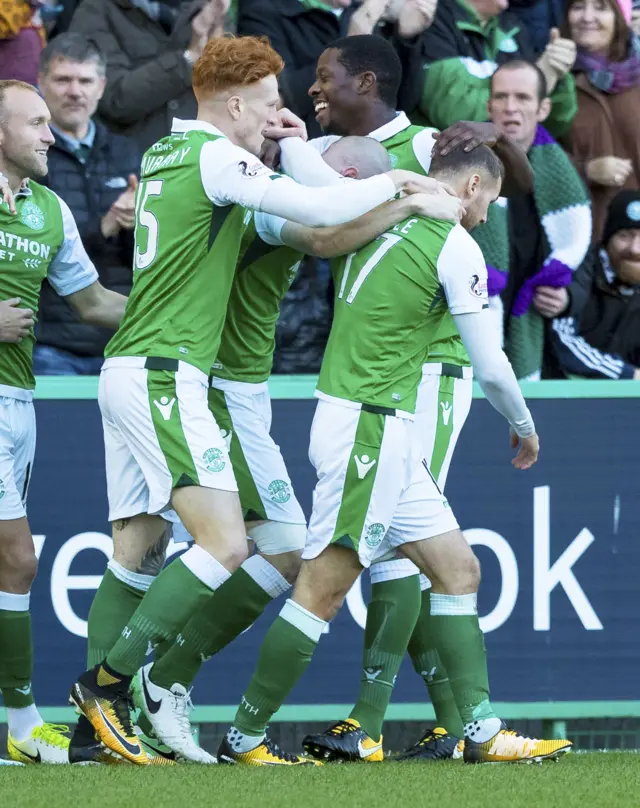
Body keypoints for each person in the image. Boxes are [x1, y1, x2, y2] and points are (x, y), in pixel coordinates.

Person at [68, 34, 444, 767]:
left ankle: (98, 730)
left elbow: (311, 214)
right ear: (236, 103)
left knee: (139, 551)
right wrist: (406, 190)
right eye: (270, 103)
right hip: (172, 375)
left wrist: (340, 172)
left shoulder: (163, 155)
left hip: (141, 369)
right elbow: (316, 215)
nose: (278, 117)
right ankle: (113, 688)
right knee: (230, 543)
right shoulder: (218, 159)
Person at [216, 143, 572, 767]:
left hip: (379, 430)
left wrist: (296, 141)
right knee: (324, 588)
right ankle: (243, 738)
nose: (485, 217)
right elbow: (489, 363)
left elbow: (321, 183)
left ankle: (484, 732)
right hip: (369, 430)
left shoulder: (375, 211)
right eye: (487, 199)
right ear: (469, 186)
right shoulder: (453, 243)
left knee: (459, 571)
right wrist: (524, 424)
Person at [128, 135, 463, 764]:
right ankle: (152, 680)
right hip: (220, 385)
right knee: (269, 546)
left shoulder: (251, 189)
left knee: (275, 548)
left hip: (239, 387)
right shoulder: (262, 203)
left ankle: (159, 680)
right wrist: (408, 197)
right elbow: (328, 230)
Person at [284, 34, 530, 763]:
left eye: (325, 79)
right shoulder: (342, 156)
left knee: (401, 548)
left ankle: (381, 721)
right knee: (400, 547)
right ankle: (453, 724)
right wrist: (296, 144)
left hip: (433, 368)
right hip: (382, 373)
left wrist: (496, 134)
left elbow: (493, 194)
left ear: (367, 81)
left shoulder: (426, 146)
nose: (314, 90)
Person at [0, 79, 127, 764]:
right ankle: (22, 724)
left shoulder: (46, 208)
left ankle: (20, 727)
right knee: (18, 558)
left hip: (21, 402)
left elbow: (94, 304)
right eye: (37, 123)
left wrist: (174, 312)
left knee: (9, 566)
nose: (51, 136)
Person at [472, 60, 591, 380]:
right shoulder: (461, 165)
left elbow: (583, 259)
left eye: (523, 98)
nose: (511, 108)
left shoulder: (563, 176)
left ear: (543, 108)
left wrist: (568, 298)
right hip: (470, 335)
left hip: (542, 345)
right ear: (489, 105)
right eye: (501, 97)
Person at [34, 33, 141, 375]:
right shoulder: (27, 156)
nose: (75, 91)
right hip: (54, 344)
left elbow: (149, 258)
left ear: (102, 86)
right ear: (41, 83)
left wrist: (139, 224)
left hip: (124, 342)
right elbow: (31, 248)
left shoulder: (128, 152)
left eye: (85, 80)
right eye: (63, 80)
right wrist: (105, 226)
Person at [237, 0, 437, 137]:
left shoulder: (366, 10)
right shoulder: (264, 11)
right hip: (308, 150)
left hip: (373, 146)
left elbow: (404, 102)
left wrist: (406, 39)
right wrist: (351, 42)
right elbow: (279, 96)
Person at [69, 0, 231, 150]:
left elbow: (231, 98)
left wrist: (217, 41)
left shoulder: (207, 8)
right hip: (130, 166)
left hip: (198, 160)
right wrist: (188, 59)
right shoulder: (96, 11)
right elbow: (115, 98)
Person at [405, 0, 578, 139]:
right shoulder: (434, 20)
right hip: (449, 167)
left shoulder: (512, 26)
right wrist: (536, 81)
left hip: (512, 161)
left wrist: (557, 75)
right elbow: (456, 113)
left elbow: (556, 124)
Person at [561, 0, 640, 241]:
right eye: (578, 7)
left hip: (634, 241)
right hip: (580, 238)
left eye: (601, 7)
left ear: (620, 18)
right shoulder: (554, 78)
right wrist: (585, 171)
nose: (587, 16)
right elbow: (532, 156)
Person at [551, 189, 640, 378]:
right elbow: (563, 341)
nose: (634, 249)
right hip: (564, 394)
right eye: (625, 235)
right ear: (607, 239)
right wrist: (627, 374)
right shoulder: (579, 267)